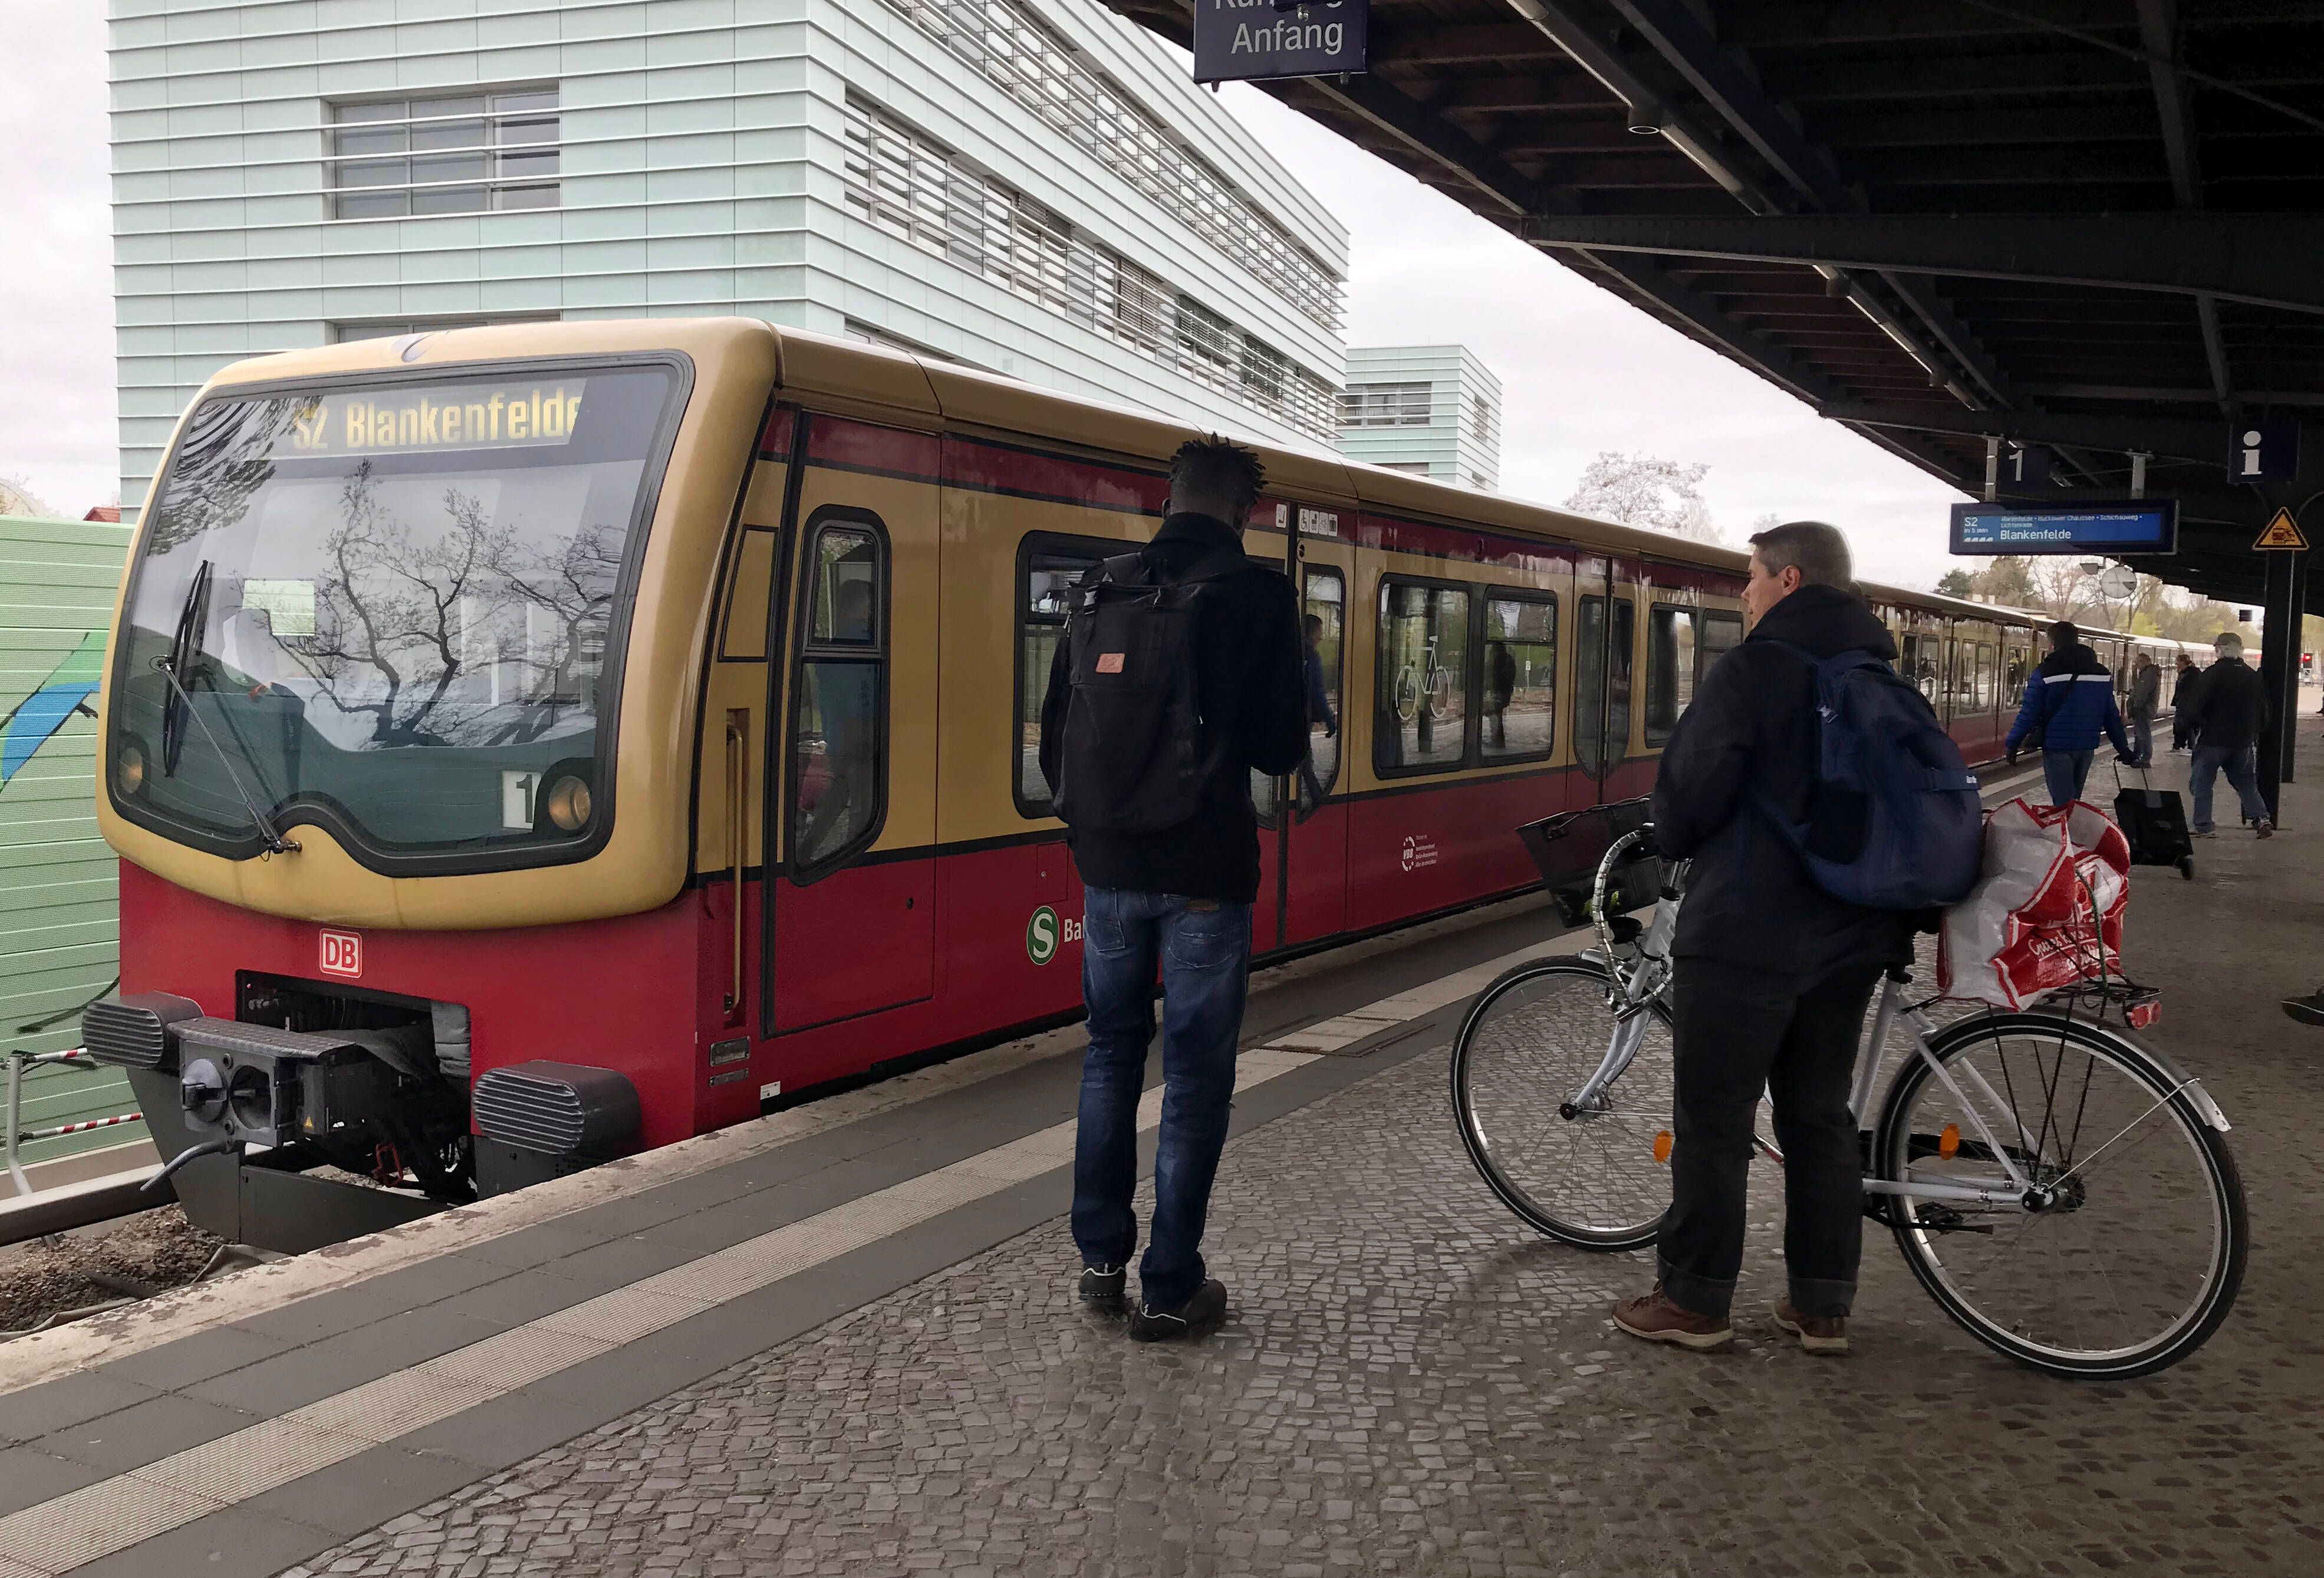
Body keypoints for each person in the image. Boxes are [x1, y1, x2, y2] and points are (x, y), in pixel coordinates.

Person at [1612, 521, 1917, 1357]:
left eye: (1748, 577)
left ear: (1786, 580)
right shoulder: (1881, 675)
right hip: (1851, 935)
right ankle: (1821, 1308)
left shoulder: (1753, 670)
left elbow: (1685, 798)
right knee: (1817, 1115)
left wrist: (1670, 835)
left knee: (1713, 1120)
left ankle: (1695, 1301)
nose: (1741, 592)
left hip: (1746, 931)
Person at [1039, 435, 1307, 1342]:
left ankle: (1101, 1263)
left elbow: (1054, 739)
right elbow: (1278, 751)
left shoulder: (1100, 587)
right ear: (1244, 512)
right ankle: (1169, 1286)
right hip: (1204, 878)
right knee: (1193, 1080)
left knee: (1110, 1058)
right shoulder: (1259, 594)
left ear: (1168, 497)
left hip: (1109, 871)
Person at [2004, 621, 2134, 807]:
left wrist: (2013, 744)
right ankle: (2070, 830)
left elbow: (2029, 713)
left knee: (2063, 802)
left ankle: (2064, 833)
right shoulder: (2101, 674)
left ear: (2053, 644)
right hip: (2086, 745)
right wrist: (2123, 749)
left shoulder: (2045, 672)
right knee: (2074, 800)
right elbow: (2111, 716)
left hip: (2058, 745)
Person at [2180, 632, 2273, 838]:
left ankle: (2203, 826)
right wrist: (2253, 731)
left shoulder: (2212, 674)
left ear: (2220, 650)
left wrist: (2192, 725)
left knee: (2202, 784)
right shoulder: (2253, 676)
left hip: (2213, 740)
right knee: (2246, 783)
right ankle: (2262, 818)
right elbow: (2264, 712)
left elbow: (2195, 708)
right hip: (2243, 742)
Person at [1296, 613, 1338, 812]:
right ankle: (1319, 804)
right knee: (1305, 764)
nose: (1321, 637)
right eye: (1319, 631)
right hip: (1302, 719)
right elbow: (1318, 694)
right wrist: (1331, 723)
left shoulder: (1292, 650)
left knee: (1303, 763)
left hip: (1290, 717)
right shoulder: (1311, 656)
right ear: (1311, 632)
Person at [2127, 652, 2161, 768]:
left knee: (2143, 733)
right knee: (2140, 733)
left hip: (2143, 709)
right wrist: (2134, 672)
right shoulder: (2146, 674)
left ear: (2146, 661)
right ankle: (2138, 755)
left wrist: (2136, 705)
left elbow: (2142, 692)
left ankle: (2145, 758)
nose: (2137, 664)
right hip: (2143, 708)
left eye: (2139, 662)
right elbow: (2137, 687)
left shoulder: (2149, 674)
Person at [1486, 639, 1517, 749]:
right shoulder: (1508, 659)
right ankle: (1498, 740)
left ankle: (1498, 740)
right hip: (1505, 691)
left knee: (1495, 716)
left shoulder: (1500, 660)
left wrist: (1493, 689)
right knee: (1498, 717)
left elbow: (1495, 675)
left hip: (1501, 692)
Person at [2171, 653, 2202, 752]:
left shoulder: (2192, 674)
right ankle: (2180, 745)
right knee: (2181, 725)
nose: (2176, 664)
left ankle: (2190, 747)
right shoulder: (2186, 673)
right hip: (2183, 704)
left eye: (2178, 661)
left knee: (2187, 726)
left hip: (2188, 705)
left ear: (2183, 662)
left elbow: (2190, 690)